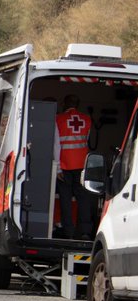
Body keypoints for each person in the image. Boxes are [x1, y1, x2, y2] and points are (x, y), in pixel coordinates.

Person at [55, 94, 94, 239]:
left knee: (65, 199)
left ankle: (68, 232)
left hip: (64, 165)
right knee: (83, 198)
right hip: (82, 164)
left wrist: (58, 167)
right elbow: (86, 141)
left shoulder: (58, 119)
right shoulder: (87, 119)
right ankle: (85, 231)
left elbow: (56, 145)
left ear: (65, 103)